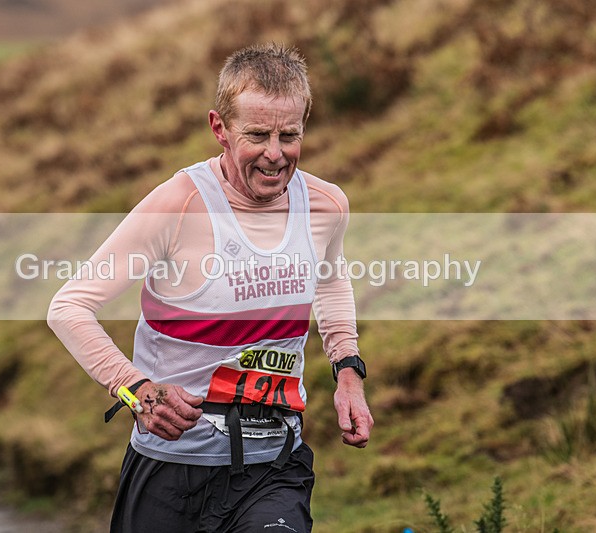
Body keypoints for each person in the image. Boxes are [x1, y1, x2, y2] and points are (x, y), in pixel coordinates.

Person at [48, 42, 373, 533]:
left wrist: (347, 369)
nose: (275, 154)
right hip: (170, 467)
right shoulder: (179, 204)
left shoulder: (326, 205)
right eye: (258, 134)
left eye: (290, 135)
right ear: (219, 128)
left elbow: (329, 280)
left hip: (273, 468)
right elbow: (69, 307)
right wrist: (135, 390)